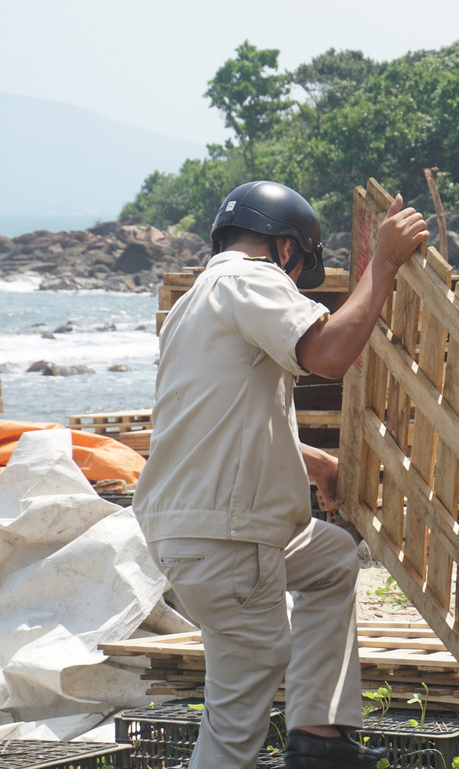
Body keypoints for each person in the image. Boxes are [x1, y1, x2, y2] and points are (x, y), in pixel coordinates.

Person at [132, 180, 429, 769]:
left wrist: (313, 462)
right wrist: (385, 263)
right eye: (298, 273)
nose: (293, 287)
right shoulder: (252, 278)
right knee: (234, 729)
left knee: (331, 557)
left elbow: (218, 419)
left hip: (193, 530)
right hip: (230, 540)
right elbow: (327, 353)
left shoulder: (195, 303)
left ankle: (318, 738)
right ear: (287, 250)